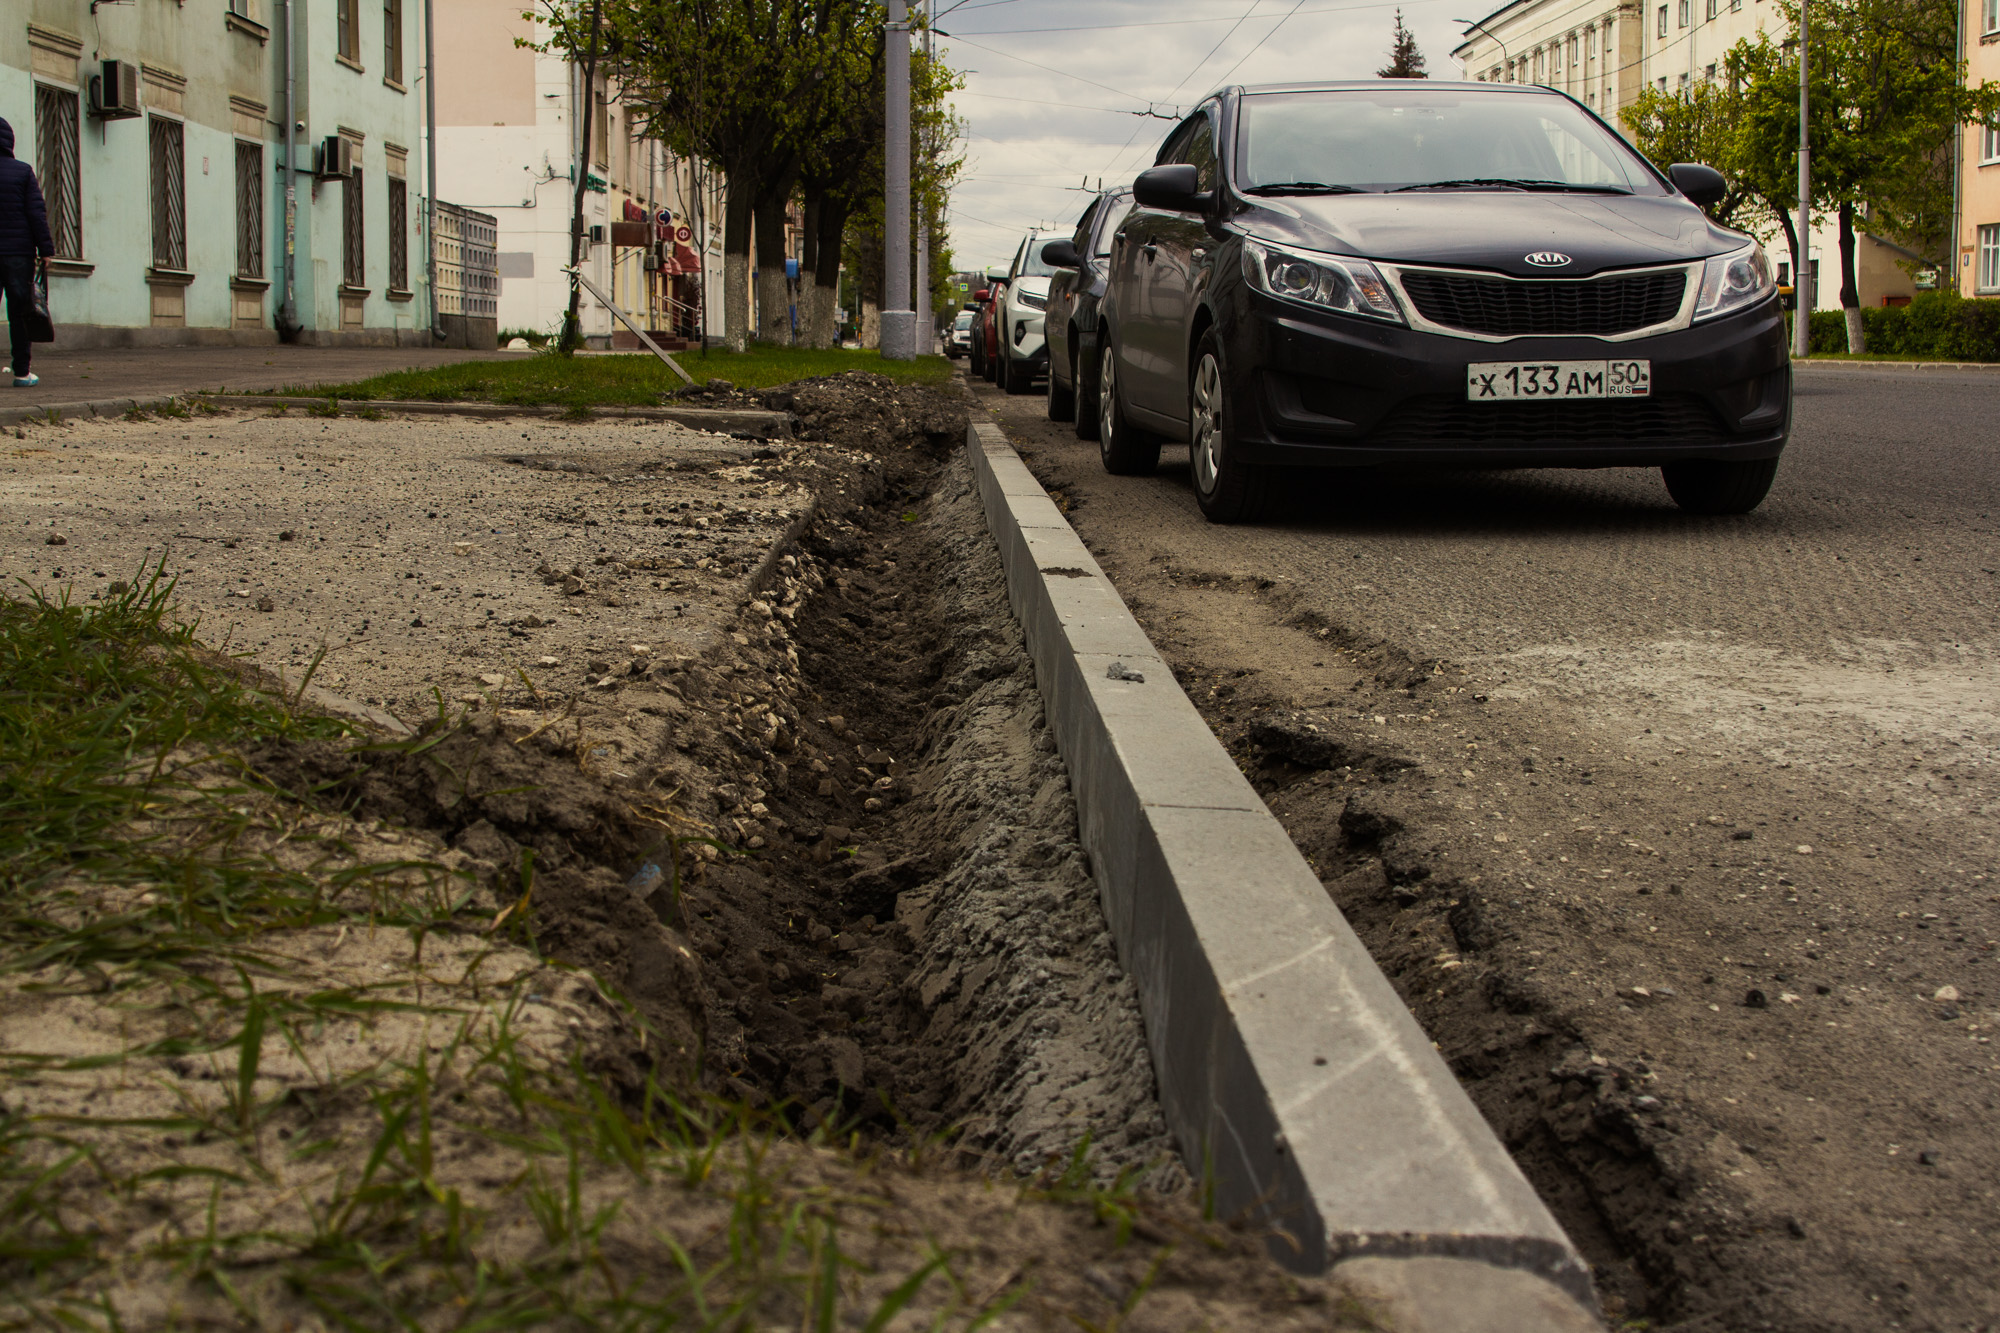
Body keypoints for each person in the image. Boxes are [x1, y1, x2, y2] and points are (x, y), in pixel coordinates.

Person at [0, 116, 55, 389]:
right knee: (20, 313)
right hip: (18, 256)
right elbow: (36, 213)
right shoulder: (22, 172)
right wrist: (46, 250)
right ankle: (22, 373)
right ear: (9, 141)